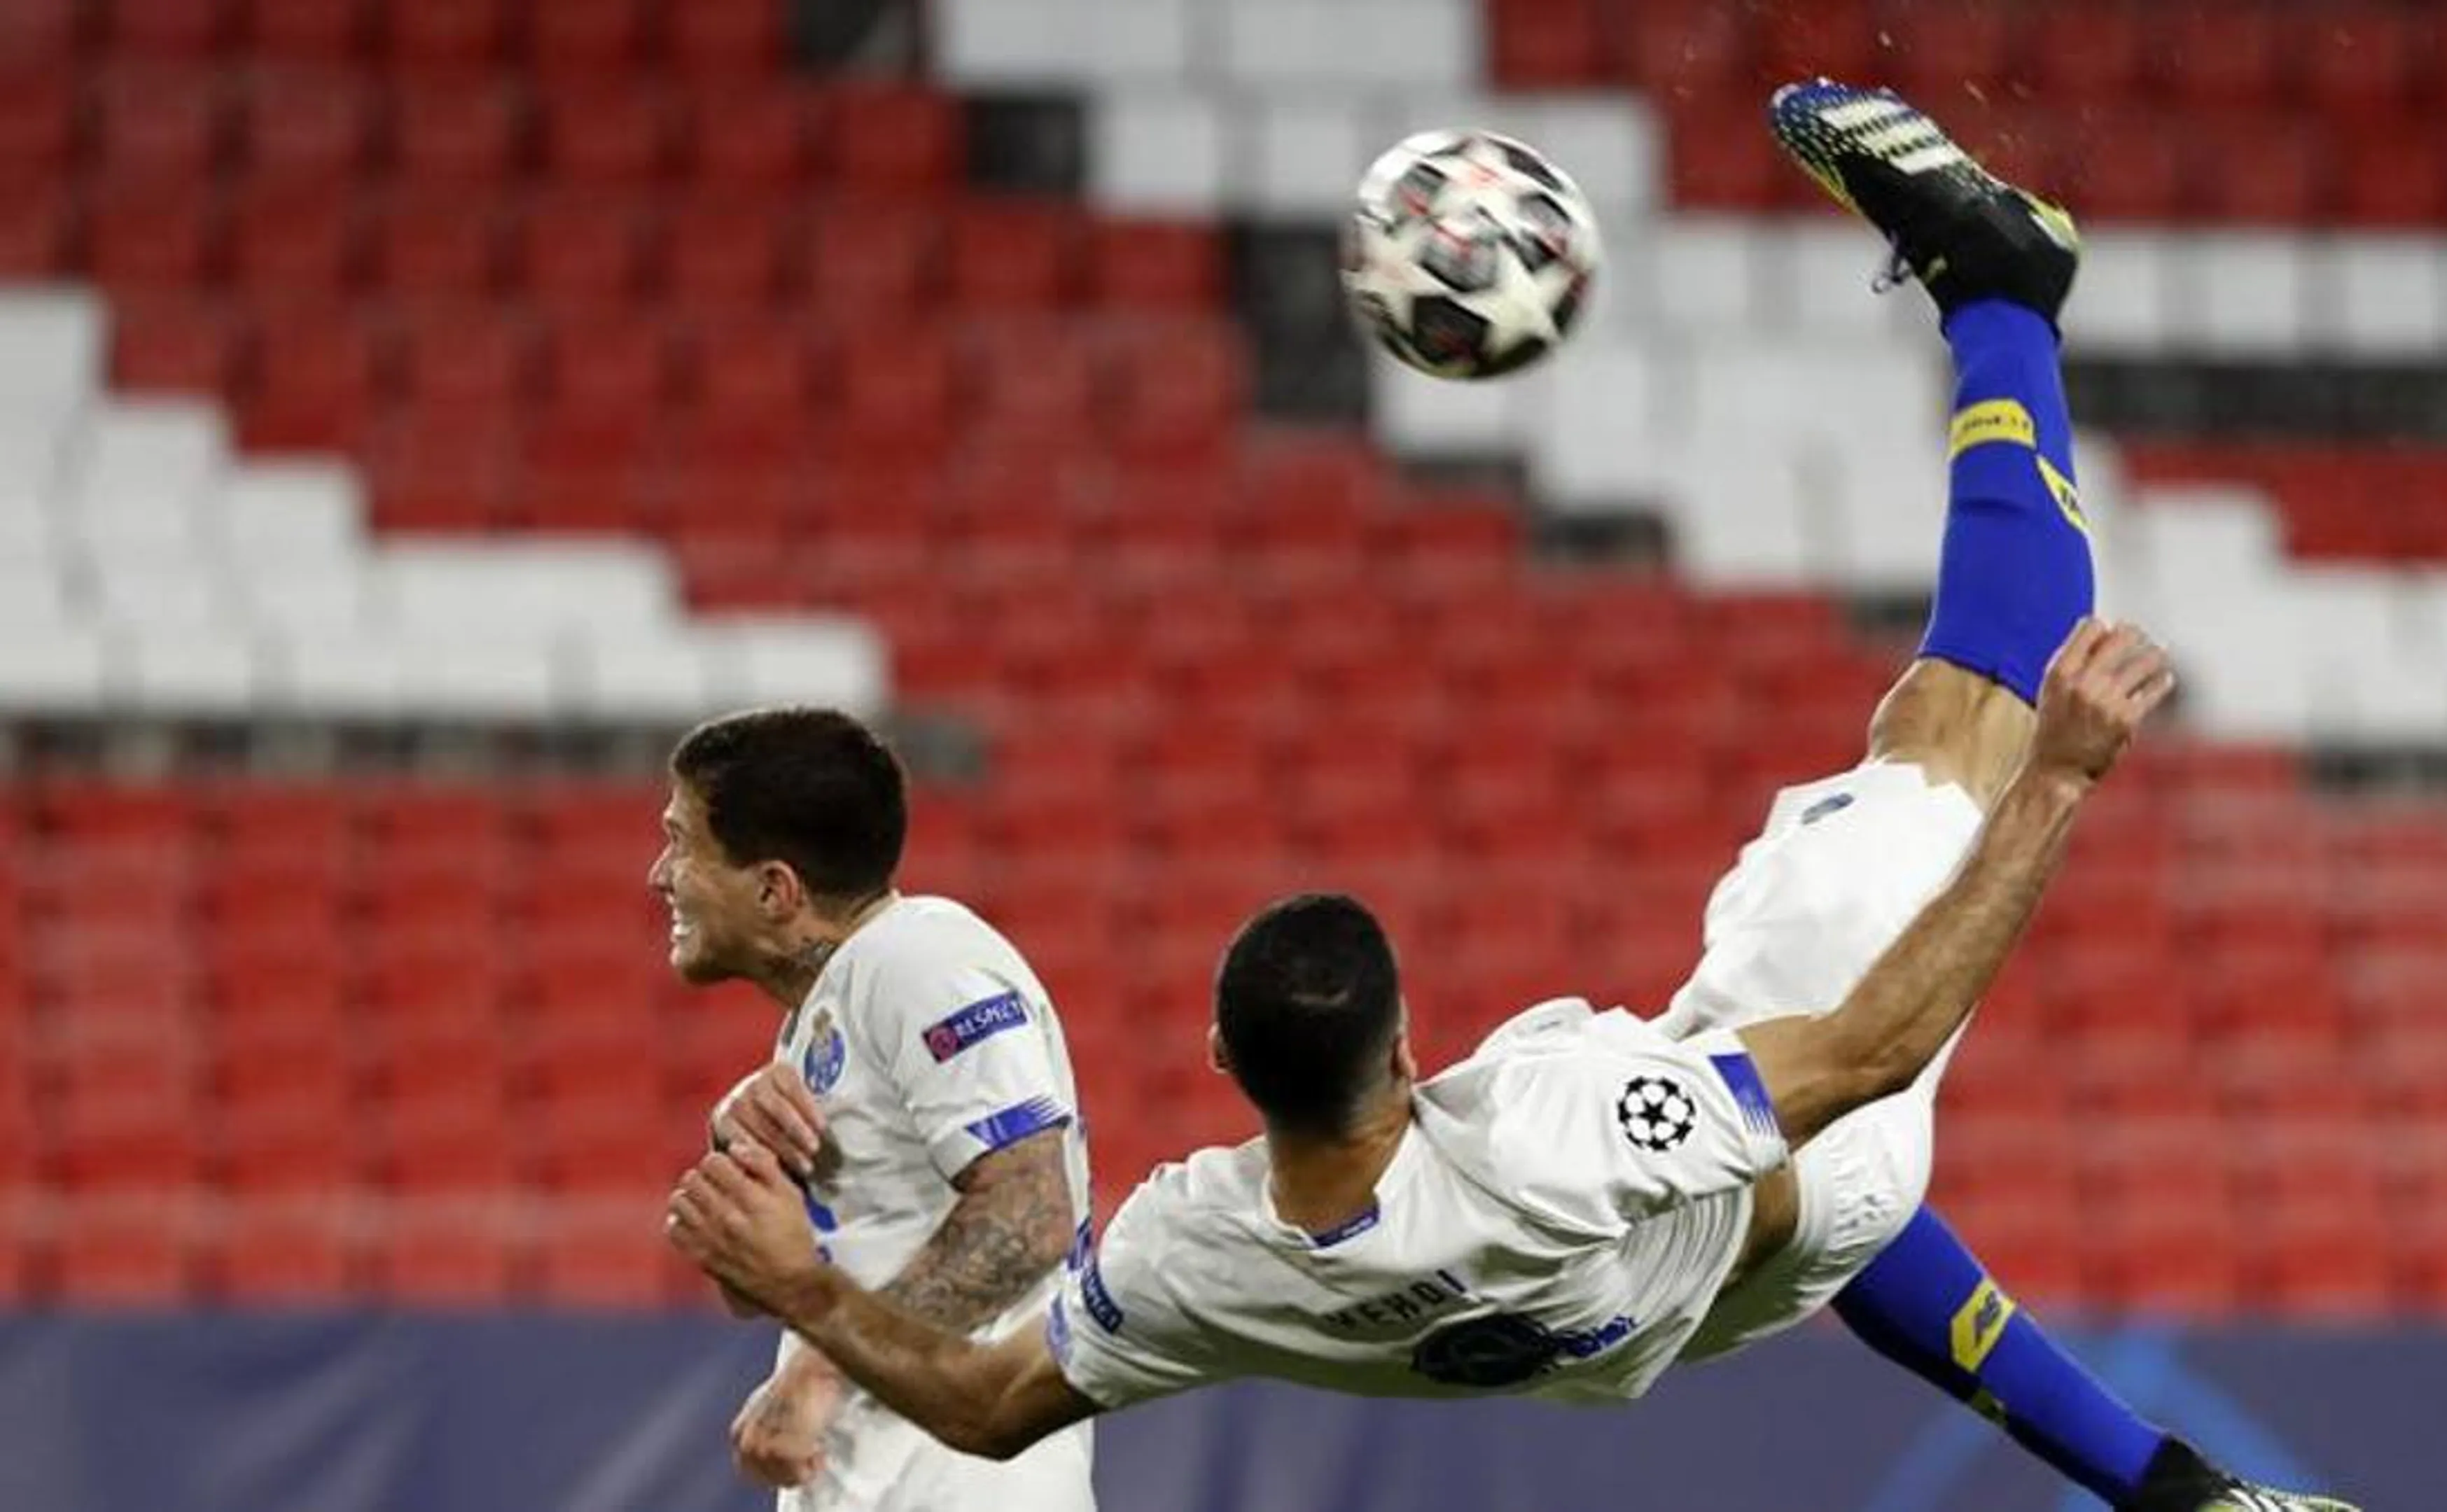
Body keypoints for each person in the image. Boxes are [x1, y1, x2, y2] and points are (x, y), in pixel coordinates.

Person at [666, 83, 2358, 1512]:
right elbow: (1866, 1055)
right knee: (1962, 722)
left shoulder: (1195, 1256)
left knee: (1812, 1196)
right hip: (1771, 1182)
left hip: (1676, 1322)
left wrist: (806, 1297)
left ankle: (2173, 1491)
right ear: (1410, 1050)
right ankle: (2002, 291)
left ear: (1220, 1072)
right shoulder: (1553, 1136)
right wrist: (2055, 784)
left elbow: (983, 1405)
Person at [650, 707, 1095, 1511]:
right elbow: (754, 1290)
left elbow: (1032, 1213)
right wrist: (736, 1162)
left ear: (774, 888)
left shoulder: (923, 957)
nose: (660, 875)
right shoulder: (824, 1017)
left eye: (681, 844)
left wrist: (822, 1369)